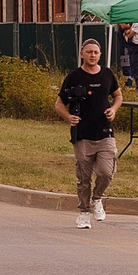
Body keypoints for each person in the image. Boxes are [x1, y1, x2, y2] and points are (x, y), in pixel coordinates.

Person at [56, 36, 122, 230]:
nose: (93, 55)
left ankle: (97, 198)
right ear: (82, 54)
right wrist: (69, 117)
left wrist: (114, 109)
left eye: (96, 52)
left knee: (105, 172)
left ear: (100, 55)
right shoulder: (74, 77)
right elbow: (58, 103)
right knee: (84, 177)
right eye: (89, 52)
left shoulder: (107, 75)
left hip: (104, 132)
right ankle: (84, 213)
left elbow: (117, 95)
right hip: (83, 134)